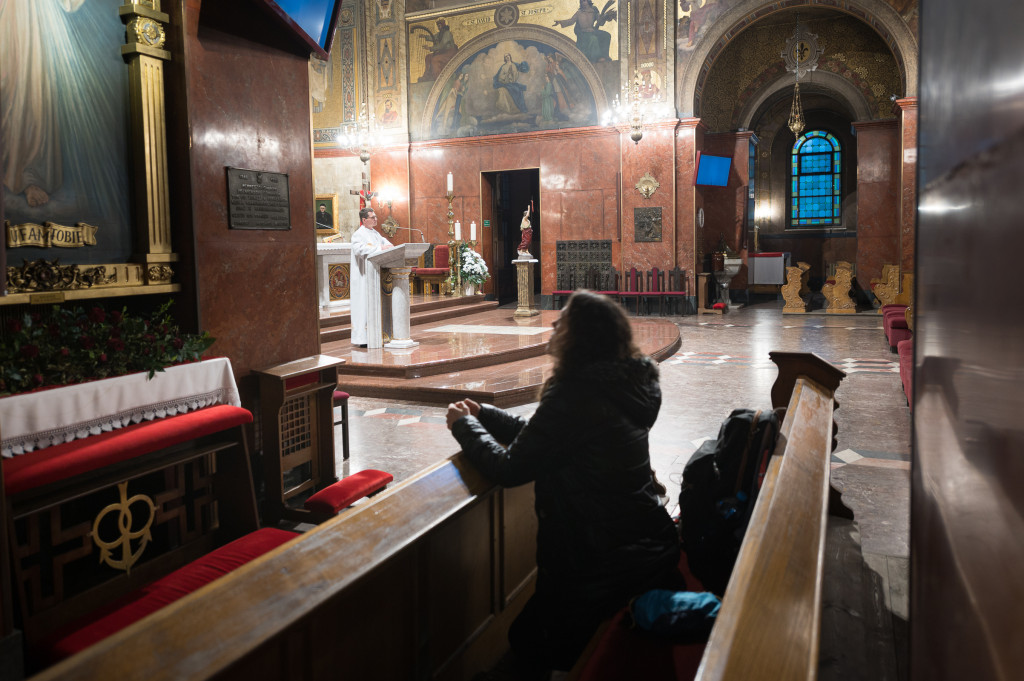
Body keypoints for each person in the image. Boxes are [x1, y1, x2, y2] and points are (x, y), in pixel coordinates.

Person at [446, 291, 682, 672]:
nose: (554, 323)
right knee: (531, 639)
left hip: (599, 562)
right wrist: (486, 414)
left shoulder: (577, 393)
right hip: (643, 544)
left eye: (564, 320)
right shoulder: (622, 384)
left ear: (581, 336)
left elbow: (510, 468)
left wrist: (464, 427)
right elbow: (550, 436)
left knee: (530, 643)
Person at [350, 207, 393, 347]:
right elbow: (359, 250)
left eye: (375, 217)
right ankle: (362, 339)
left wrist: (388, 246)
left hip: (375, 274)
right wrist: (380, 248)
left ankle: (377, 336)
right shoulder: (358, 234)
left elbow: (386, 243)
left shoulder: (375, 233)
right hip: (363, 276)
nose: (376, 219)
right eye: (372, 217)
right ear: (364, 220)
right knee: (363, 306)